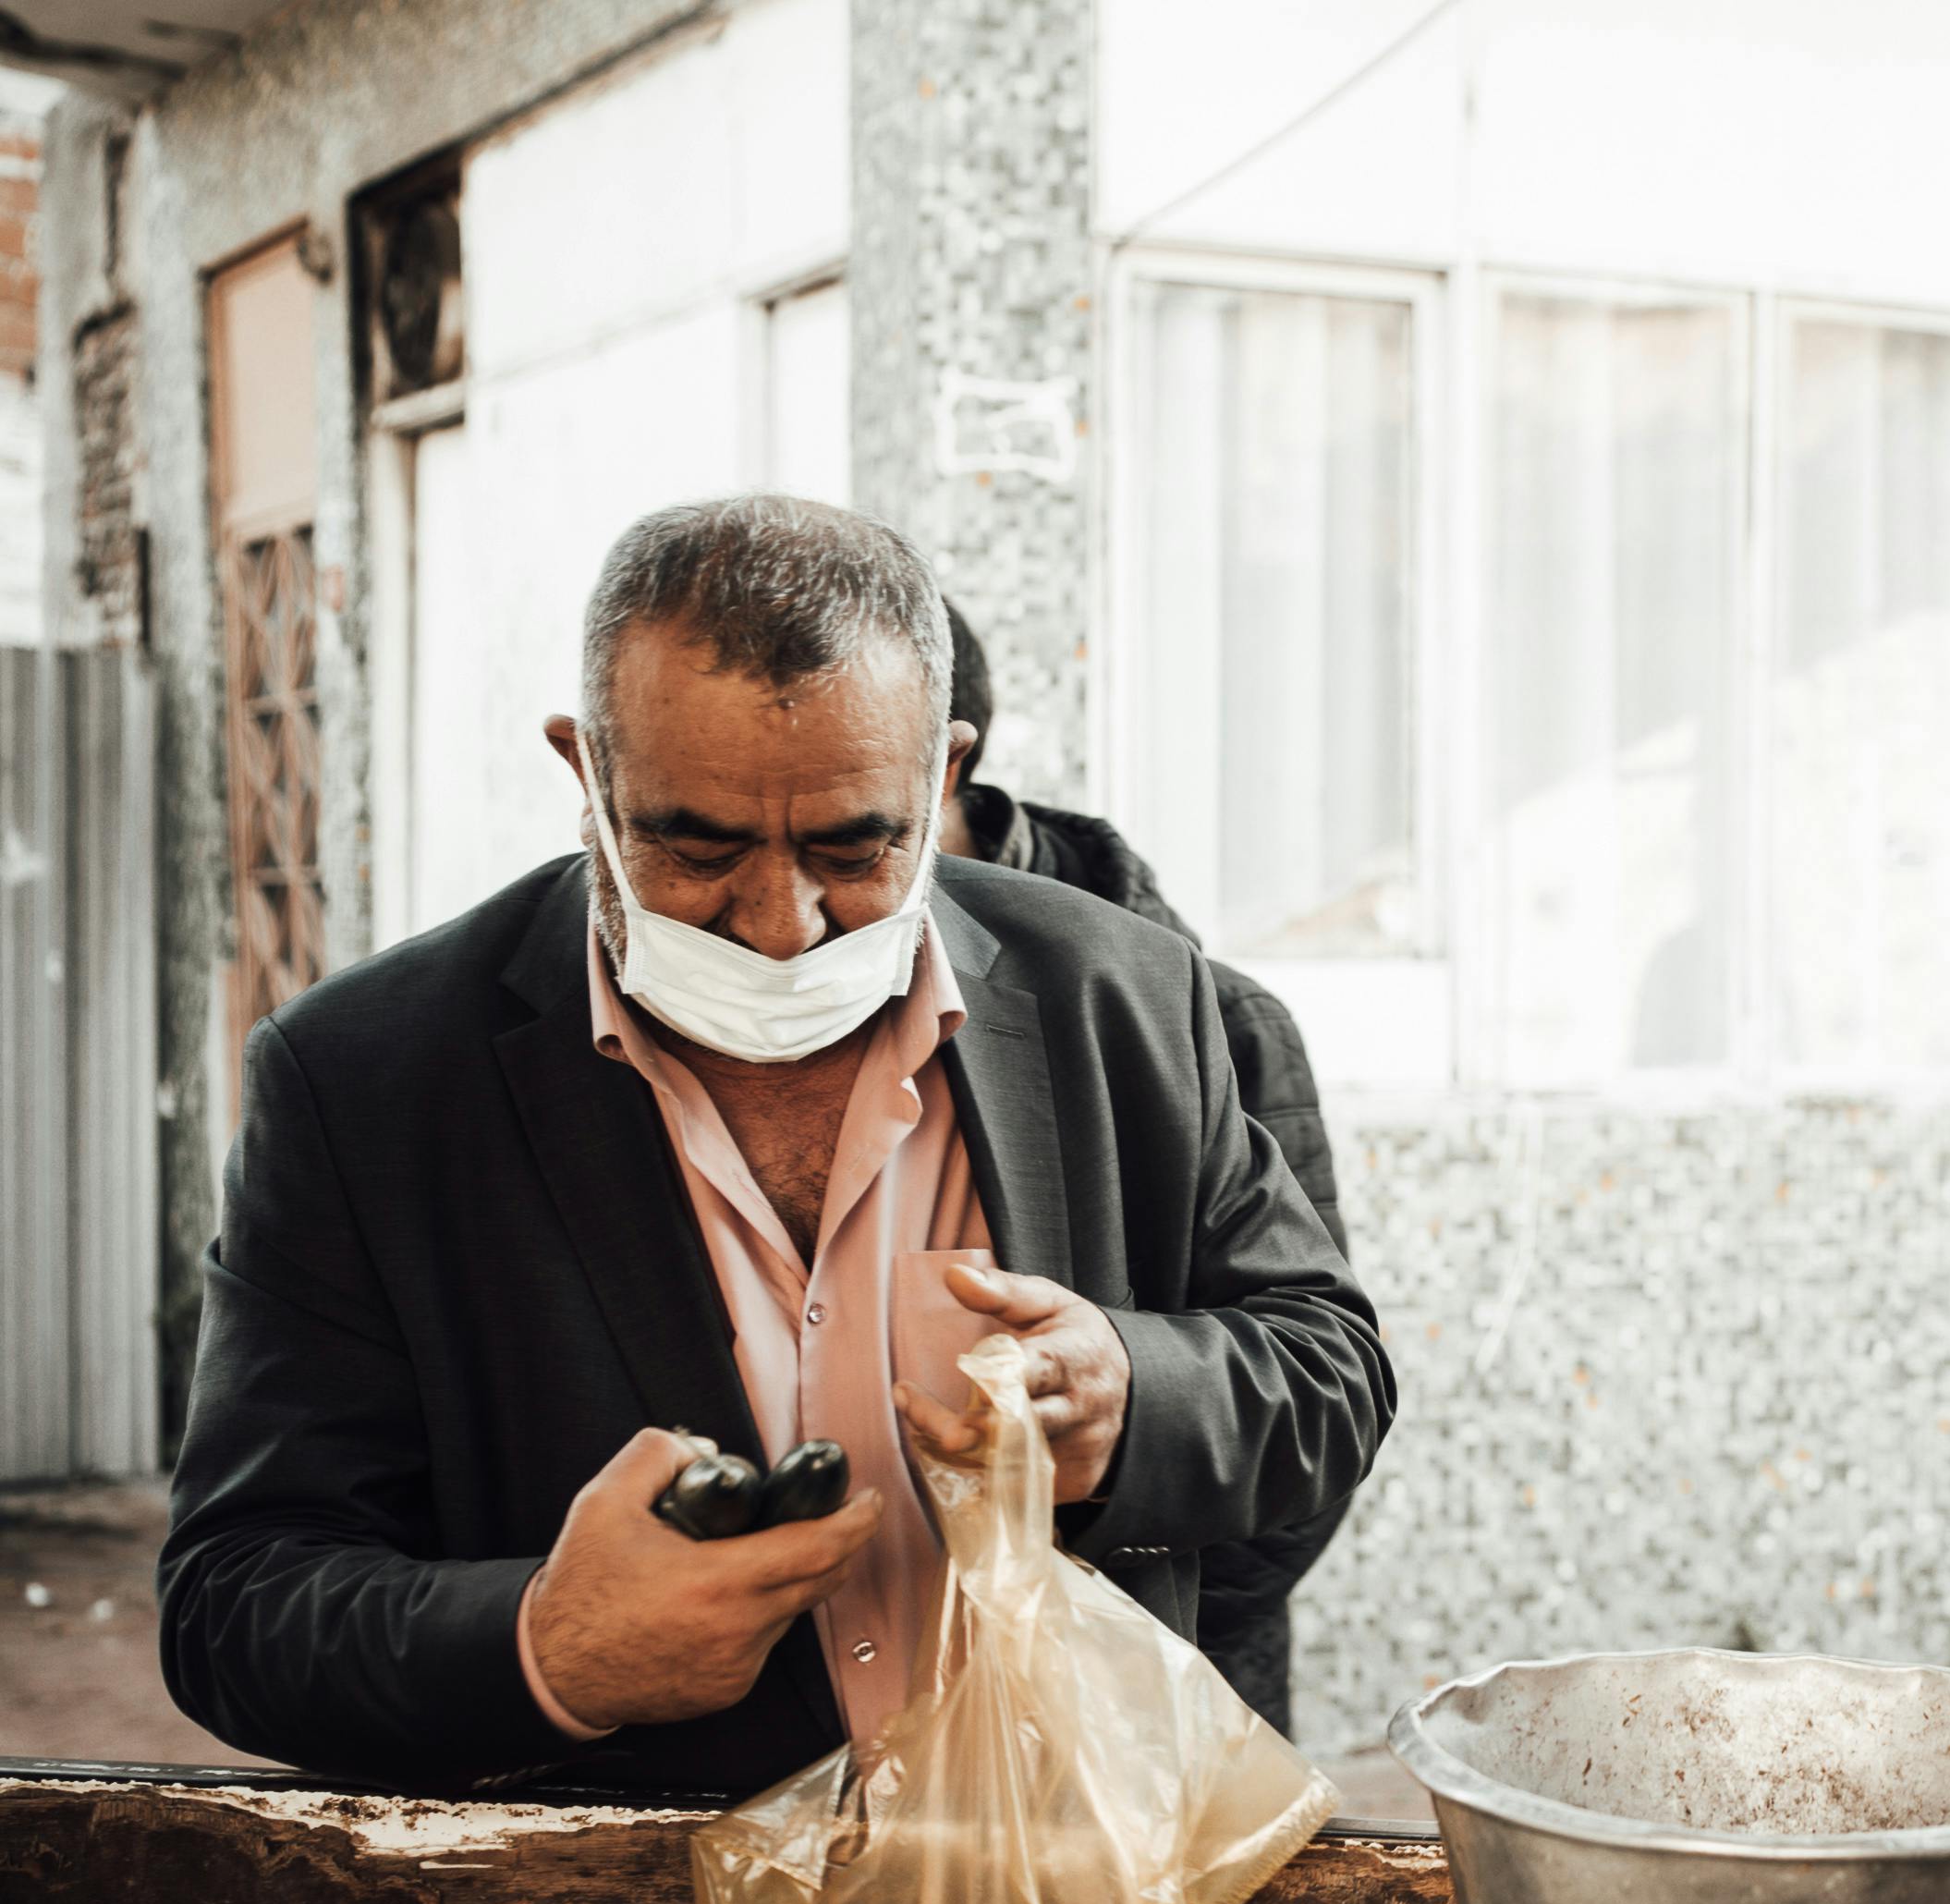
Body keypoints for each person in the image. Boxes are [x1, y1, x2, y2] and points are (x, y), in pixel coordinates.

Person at [158, 497, 1395, 1798]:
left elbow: (1327, 1367)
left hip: (1080, 1895)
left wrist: (1134, 1397)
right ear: (585, 770)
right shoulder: (366, 1079)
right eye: (695, 845)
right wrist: (547, 1646)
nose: (783, 923)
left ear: (945, 773)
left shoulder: (1124, 993)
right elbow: (234, 1600)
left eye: (856, 846)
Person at [935, 604, 1348, 1729]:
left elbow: (1316, 1386)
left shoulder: (1195, 1013)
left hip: (1157, 1717)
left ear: (942, 760)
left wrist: (1134, 1624)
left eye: (841, 828)